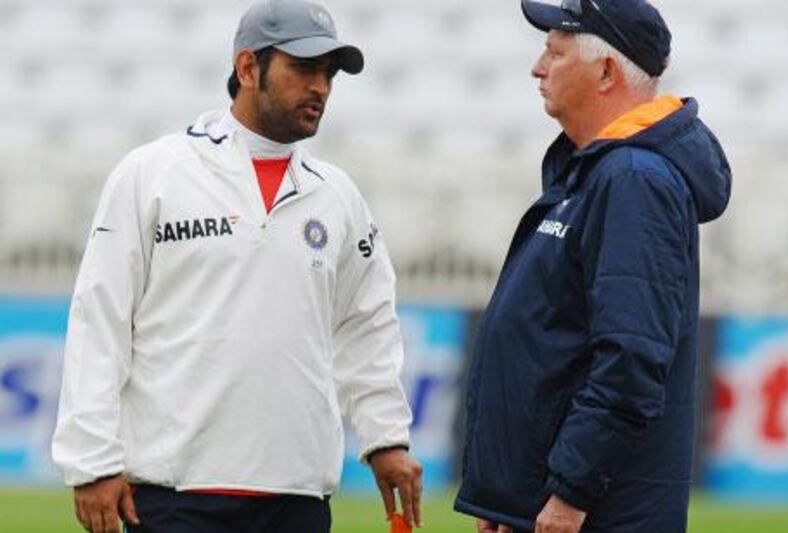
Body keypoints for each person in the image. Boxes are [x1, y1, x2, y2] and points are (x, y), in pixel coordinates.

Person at [51, 1, 423, 532]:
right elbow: (100, 318)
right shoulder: (153, 174)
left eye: (329, 73)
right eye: (303, 68)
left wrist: (385, 437)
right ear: (248, 68)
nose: (320, 87)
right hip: (172, 497)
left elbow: (365, 327)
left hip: (296, 499)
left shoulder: (337, 196)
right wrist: (91, 462)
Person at [454, 1, 731, 532]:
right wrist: (510, 501)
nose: (538, 68)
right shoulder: (597, 173)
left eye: (555, 53)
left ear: (605, 72)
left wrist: (569, 494)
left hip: (597, 515)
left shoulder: (632, 179)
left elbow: (630, 357)